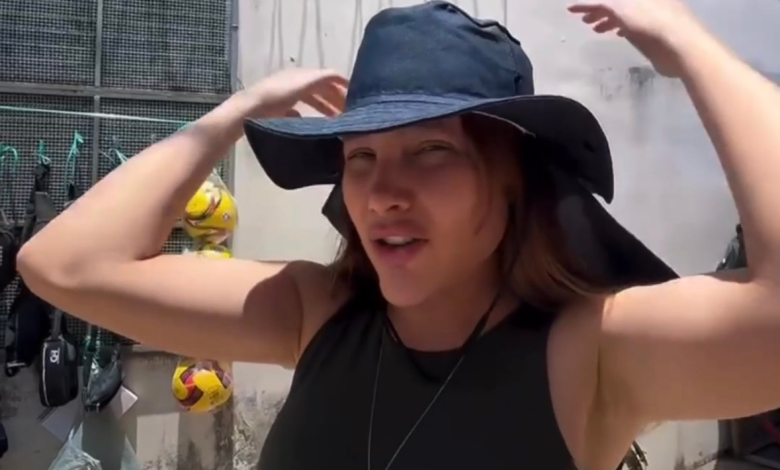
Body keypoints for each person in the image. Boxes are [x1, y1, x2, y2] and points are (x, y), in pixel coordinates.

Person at [16, 1, 780, 469]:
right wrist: (231, 117)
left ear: (512, 180)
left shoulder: (590, 355)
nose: (383, 194)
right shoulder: (315, 315)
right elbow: (64, 264)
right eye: (361, 157)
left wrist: (691, 46)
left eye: (432, 151)